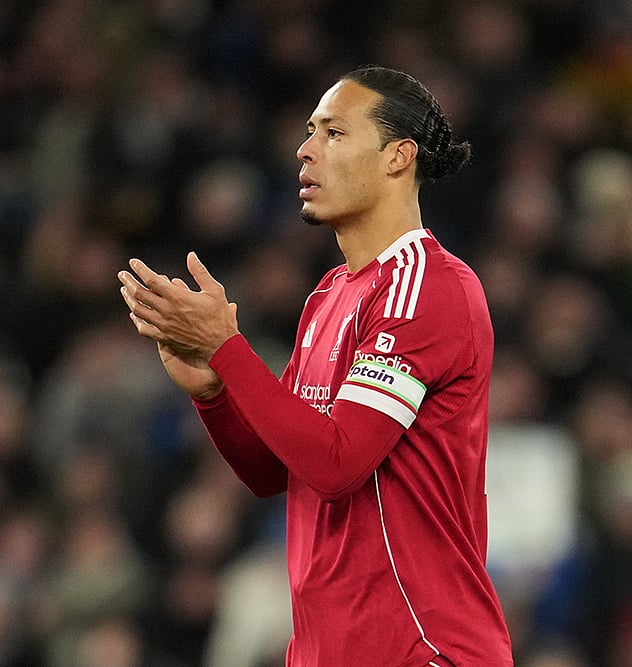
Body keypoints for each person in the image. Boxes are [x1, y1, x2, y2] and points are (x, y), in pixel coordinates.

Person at [117, 66, 514, 666]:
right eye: (308, 133)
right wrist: (214, 392)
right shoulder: (328, 296)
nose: (304, 150)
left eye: (333, 133)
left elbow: (338, 464)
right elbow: (280, 471)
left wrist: (229, 347)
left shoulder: (427, 287)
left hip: (420, 648)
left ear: (397, 157)